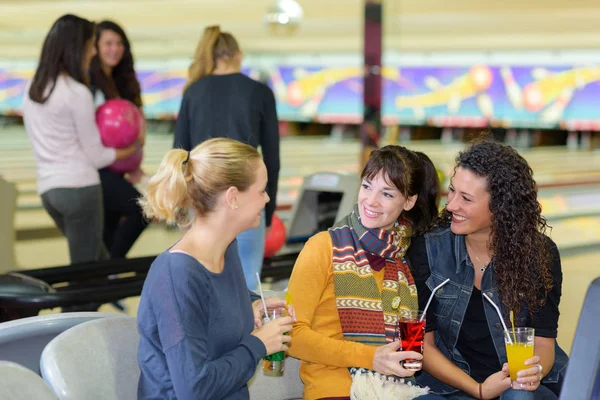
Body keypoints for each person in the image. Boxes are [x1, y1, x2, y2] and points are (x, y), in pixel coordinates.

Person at [406, 139, 569, 400]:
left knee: (519, 396)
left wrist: (531, 372)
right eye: (452, 191)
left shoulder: (540, 255)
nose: (450, 205)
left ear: (500, 206)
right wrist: (479, 390)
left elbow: (543, 343)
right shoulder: (426, 251)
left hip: (519, 385)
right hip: (454, 385)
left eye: (466, 199)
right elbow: (422, 346)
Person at [137, 137, 295, 399]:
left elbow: (213, 307)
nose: (267, 199)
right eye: (261, 190)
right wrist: (258, 344)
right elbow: (194, 389)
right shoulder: (177, 275)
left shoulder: (226, 249)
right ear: (233, 197)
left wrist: (253, 303)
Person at [287, 145, 445, 400]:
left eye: (387, 194)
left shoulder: (401, 261)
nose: (371, 201)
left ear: (409, 201)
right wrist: (371, 358)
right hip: (336, 390)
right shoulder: (323, 247)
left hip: (393, 389)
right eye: (367, 186)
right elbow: (290, 335)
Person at [22, 14, 138, 264]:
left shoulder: (33, 88)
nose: (93, 53)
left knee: (98, 264)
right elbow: (96, 156)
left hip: (48, 191)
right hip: (79, 190)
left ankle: (111, 285)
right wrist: (130, 150)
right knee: (85, 275)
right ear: (77, 48)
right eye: (90, 46)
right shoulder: (77, 92)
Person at [173, 25, 280, 291]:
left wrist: (179, 205)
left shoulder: (192, 91)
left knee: (200, 278)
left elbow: (179, 152)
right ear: (238, 54)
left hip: (201, 196)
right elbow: (273, 159)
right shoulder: (260, 92)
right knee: (245, 284)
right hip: (245, 194)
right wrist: (268, 211)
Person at [89, 20, 149, 259]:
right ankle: (109, 273)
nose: (114, 48)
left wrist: (132, 163)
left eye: (119, 43)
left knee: (108, 233)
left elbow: (130, 129)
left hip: (115, 169)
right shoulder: (90, 85)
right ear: (95, 47)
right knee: (140, 210)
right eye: (108, 43)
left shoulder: (122, 83)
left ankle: (102, 281)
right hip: (96, 169)